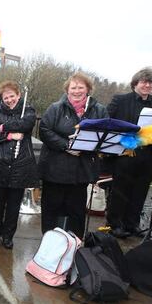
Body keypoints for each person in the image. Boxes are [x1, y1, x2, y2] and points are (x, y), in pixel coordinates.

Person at [38, 72, 108, 238]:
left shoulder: (99, 110)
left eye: (81, 87)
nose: (77, 91)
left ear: (88, 89)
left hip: (81, 172)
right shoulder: (55, 108)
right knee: (51, 210)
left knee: (77, 212)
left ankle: (74, 244)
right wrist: (66, 145)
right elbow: (44, 130)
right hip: (55, 170)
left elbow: (105, 134)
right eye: (73, 87)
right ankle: (48, 243)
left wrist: (87, 145)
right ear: (67, 90)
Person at [106, 67, 152, 238]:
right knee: (120, 190)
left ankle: (132, 224)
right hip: (126, 152)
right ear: (136, 83)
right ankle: (115, 224)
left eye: (151, 82)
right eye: (144, 82)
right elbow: (109, 121)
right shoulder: (120, 100)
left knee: (140, 191)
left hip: (148, 153)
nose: (148, 85)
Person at [0, 81, 39, 249]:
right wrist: (9, 136)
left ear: (18, 95)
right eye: (6, 97)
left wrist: (3, 127)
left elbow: (26, 125)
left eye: (12, 96)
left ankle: (8, 236)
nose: (9, 100)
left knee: (14, 204)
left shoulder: (27, 111)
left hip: (20, 165)